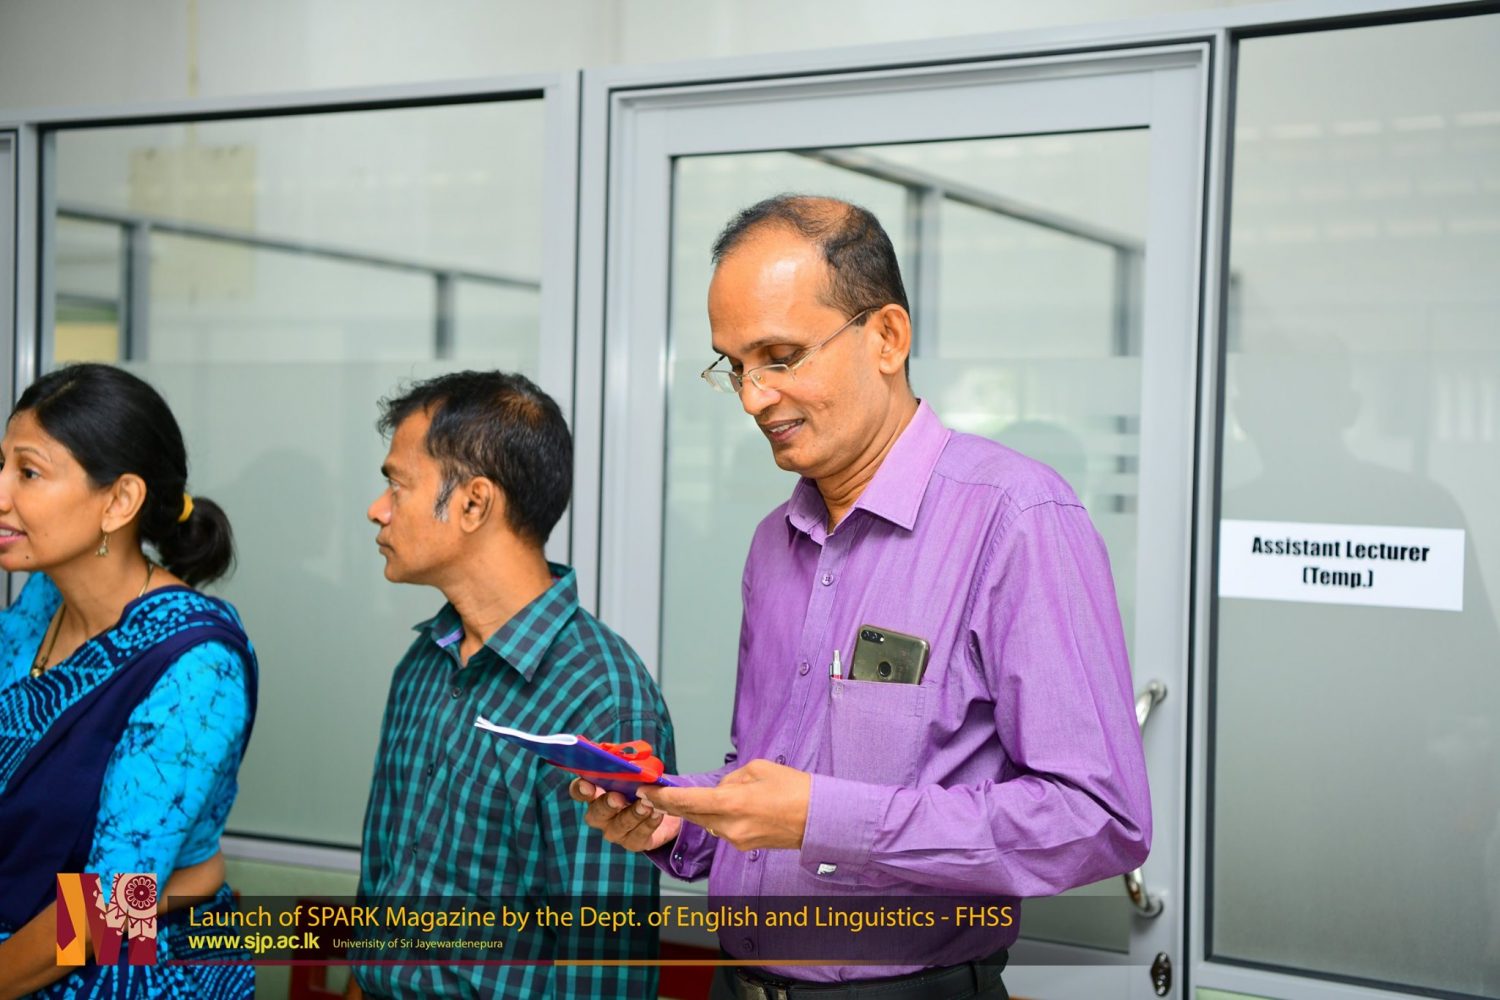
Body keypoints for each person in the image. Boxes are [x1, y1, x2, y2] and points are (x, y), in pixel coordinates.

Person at [573, 195, 1152, 998]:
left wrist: (826, 818)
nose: (753, 397)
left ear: (886, 337)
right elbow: (769, 774)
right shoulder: (775, 542)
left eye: (780, 357)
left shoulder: (1015, 518)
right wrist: (682, 820)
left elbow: (1097, 819)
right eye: (735, 366)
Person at [351, 371, 674, 999]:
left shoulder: (600, 699)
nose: (378, 508)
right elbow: (381, 894)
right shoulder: (424, 662)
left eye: (398, 484)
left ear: (474, 503)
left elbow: (604, 975)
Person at [0, 363, 257, 999]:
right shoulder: (42, 600)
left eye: (28, 473)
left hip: (132, 970)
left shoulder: (197, 665)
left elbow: (111, 909)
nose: (1, 492)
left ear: (119, 501)